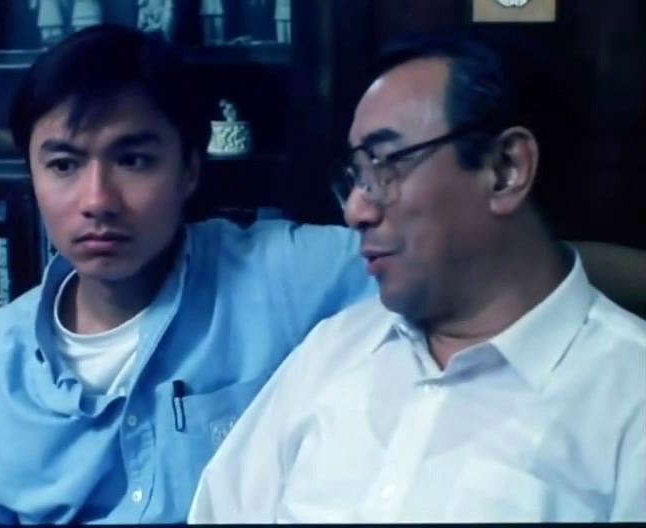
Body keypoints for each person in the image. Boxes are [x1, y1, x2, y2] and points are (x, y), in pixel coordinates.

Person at [0, 24, 643, 525]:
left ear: (191, 170)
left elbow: (498, 264)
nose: (97, 200)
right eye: (62, 164)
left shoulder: (292, 280)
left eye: (135, 159)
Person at [187, 31, 646, 523]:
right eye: (355, 177)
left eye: (383, 167)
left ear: (505, 169)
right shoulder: (333, 350)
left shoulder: (628, 398)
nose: (356, 211)